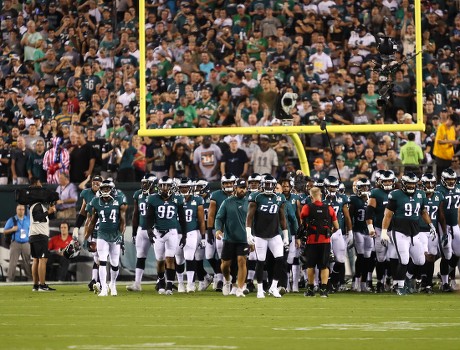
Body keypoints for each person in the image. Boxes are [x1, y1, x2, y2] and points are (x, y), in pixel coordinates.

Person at [380, 172, 436, 295]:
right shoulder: (395, 195)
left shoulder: (421, 194)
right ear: (404, 184)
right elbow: (388, 215)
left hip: (415, 233)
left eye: (413, 184)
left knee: (420, 261)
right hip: (399, 232)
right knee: (404, 260)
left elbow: (423, 211)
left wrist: (431, 225)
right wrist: (384, 232)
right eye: (409, 183)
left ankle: (406, 278)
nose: (411, 186)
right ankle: (399, 286)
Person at [246, 175, 289, 298]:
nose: (269, 187)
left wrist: (285, 234)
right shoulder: (256, 197)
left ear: (274, 185)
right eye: (267, 184)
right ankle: (260, 289)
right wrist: (249, 234)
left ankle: (273, 287)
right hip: (260, 235)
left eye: (271, 184)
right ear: (262, 185)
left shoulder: (279, 197)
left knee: (280, 260)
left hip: (274, 234)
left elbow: (282, 217)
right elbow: (249, 217)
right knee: (260, 262)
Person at [85, 180, 128, 297]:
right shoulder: (96, 202)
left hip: (114, 234)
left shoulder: (119, 200)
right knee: (102, 261)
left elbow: (123, 221)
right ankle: (104, 287)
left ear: (112, 189)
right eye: (103, 188)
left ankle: (112, 284)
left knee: (114, 263)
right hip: (101, 235)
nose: (105, 191)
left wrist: (120, 235)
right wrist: (86, 238)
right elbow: (92, 222)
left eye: (107, 188)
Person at [146, 176, 187, 295]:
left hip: (172, 232)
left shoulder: (177, 199)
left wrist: (184, 235)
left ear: (172, 187)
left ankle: (169, 285)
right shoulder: (153, 199)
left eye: (167, 185)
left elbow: (182, 218)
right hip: (158, 232)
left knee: (170, 258)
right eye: (162, 185)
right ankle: (161, 281)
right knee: (160, 260)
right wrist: (149, 231)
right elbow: (149, 216)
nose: (164, 188)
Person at [296, 186, 339, 298]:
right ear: (321, 195)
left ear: (311, 196)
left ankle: (311, 289)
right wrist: (329, 232)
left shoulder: (306, 207)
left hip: (311, 241)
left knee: (310, 266)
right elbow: (337, 226)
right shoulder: (329, 208)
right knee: (324, 266)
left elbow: (302, 224)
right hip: (325, 241)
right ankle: (323, 289)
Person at [215, 178, 249, 297]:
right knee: (225, 265)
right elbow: (219, 218)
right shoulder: (227, 202)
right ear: (235, 188)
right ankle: (227, 280)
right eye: (240, 188)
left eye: (244, 188)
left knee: (242, 261)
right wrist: (218, 229)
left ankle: (240, 288)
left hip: (244, 239)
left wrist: (253, 238)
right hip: (229, 238)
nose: (242, 190)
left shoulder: (250, 202)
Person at [366, 170, 397, 292]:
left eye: (390, 180)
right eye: (385, 181)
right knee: (380, 258)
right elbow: (369, 212)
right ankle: (379, 282)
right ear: (380, 181)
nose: (388, 183)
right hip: (380, 228)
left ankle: (390, 279)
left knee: (393, 257)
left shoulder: (397, 193)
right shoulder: (376, 193)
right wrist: (370, 228)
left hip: (394, 229)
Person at [206, 173, 237, 292]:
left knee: (235, 257)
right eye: (226, 183)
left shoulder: (239, 193)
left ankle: (231, 280)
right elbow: (211, 214)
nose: (228, 185)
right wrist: (209, 230)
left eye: (230, 183)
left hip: (235, 229)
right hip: (221, 230)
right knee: (221, 256)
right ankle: (221, 279)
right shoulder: (216, 195)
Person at [175, 177, 206, 293]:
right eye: (182, 187)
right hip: (177, 233)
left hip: (191, 232)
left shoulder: (197, 200)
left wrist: (203, 237)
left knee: (189, 256)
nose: (184, 189)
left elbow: (201, 220)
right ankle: (180, 283)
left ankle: (190, 284)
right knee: (178, 259)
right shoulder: (175, 199)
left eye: (186, 187)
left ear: (191, 187)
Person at [73, 175, 102, 292]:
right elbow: (83, 211)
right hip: (91, 228)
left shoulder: (108, 194)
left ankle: (99, 281)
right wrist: (76, 226)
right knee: (96, 256)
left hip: (104, 228)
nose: (96, 184)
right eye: (94, 182)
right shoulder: (86, 193)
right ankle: (95, 280)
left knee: (101, 256)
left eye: (98, 183)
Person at [28, 178, 57, 291]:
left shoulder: (35, 204)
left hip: (34, 234)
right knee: (42, 259)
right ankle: (42, 285)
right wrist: (48, 212)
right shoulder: (37, 205)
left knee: (36, 259)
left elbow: (45, 217)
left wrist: (50, 212)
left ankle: (36, 285)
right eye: (39, 185)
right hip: (39, 234)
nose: (41, 188)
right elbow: (38, 217)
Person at [436, 168, 460, 292]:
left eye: (453, 179)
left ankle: (445, 273)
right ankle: (445, 283)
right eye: (449, 179)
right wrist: (444, 231)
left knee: (458, 253)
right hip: (443, 225)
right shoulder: (439, 190)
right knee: (447, 254)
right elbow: (440, 213)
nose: (451, 182)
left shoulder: (458, 187)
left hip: (455, 225)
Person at [349, 178, 374, 292]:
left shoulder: (372, 199)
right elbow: (349, 216)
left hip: (368, 231)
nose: (364, 189)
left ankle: (363, 283)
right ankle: (356, 281)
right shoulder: (354, 199)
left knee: (368, 258)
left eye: (366, 187)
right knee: (360, 257)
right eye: (362, 187)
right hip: (358, 230)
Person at [3, 204, 32, 282]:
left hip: (26, 243)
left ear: (24, 210)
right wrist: (12, 229)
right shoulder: (12, 220)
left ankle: (30, 279)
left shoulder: (28, 219)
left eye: (22, 209)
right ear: (16, 210)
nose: (21, 211)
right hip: (15, 243)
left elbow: (32, 230)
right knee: (13, 262)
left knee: (27, 262)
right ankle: (9, 279)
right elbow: (5, 231)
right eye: (19, 209)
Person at [433, 113, 459, 178]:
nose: (448, 121)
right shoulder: (441, 127)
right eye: (448, 119)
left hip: (449, 157)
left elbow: (451, 142)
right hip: (440, 156)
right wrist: (452, 141)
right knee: (440, 176)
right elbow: (439, 141)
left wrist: (451, 142)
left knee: (448, 177)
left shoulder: (452, 129)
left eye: (450, 120)